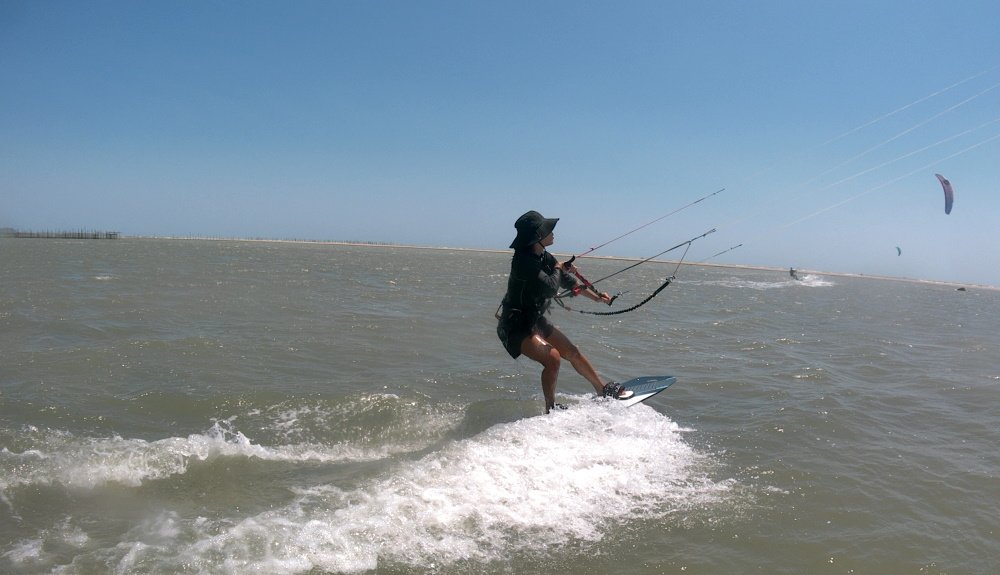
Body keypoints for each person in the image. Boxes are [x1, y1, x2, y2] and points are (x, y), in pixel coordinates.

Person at [496, 210, 633, 413]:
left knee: (571, 351)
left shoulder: (543, 256)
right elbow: (551, 287)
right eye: (548, 230)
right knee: (552, 357)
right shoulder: (523, 262)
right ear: (538, 236)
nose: (553, 233)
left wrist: (597, 298)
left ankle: (602, 390)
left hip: (534, 319)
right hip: (515, 325)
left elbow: (568, 282)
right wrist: (559, 269)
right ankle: (550, 409)